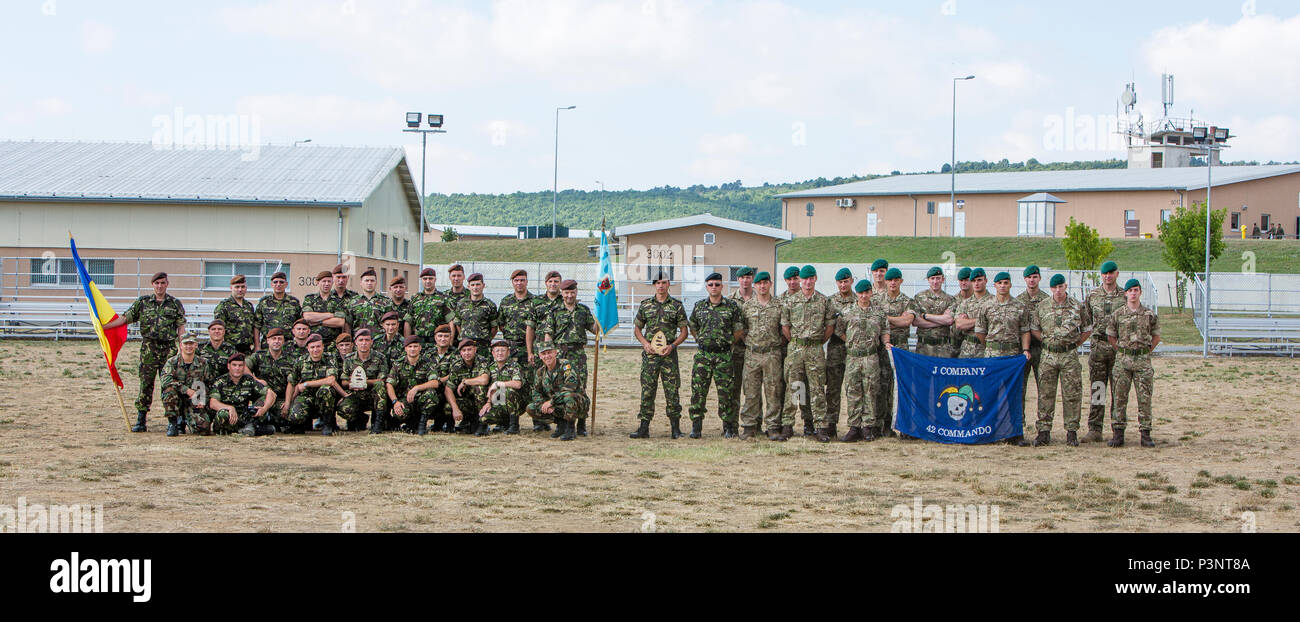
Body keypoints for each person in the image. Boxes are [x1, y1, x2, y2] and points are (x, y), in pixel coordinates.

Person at [104, 271, 186, 433]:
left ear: (167, 284)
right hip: (149, 348)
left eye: (163, 283)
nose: (160, 286)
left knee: (169, 385)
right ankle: (141, 420)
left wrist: (183, 347)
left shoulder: (175, 304)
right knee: (146, 385)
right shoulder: (143, 302)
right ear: (152, 285)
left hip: (169, 349)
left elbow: (181, 328)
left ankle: (173, 422)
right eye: (157, 283)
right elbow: (125, 318)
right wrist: (104, 327)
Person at [1029, 274, 1092, 447]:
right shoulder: (1042, 306)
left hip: (1069, 356)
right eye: (1055, 287)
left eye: (1061, 287)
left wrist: (1075, 343)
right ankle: (1043, 431)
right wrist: (1047, 341)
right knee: (1045, 394)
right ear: (1051, 288)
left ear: (1065, 286)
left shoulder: (1077, 306)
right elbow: (1034, 329)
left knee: (1072, 393)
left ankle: (1071, 432)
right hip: (1048, 355)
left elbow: (1087, 329)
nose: (1058, 290)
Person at [974, 271, 1033, 446]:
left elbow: (1025, 331)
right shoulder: (986, 306)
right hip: (992, 355)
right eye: (999, 283)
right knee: (990, 393)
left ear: (1010, 285)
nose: (1003, 286)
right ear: (994, 285)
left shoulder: (1020, 306)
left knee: (1014, 394)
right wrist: (992, 347)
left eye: (1006, 283)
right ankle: (990, 430)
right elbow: (980, 331)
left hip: (1012, 356)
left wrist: (1025, 350)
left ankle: (1015, 432)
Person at [628, 271, 689, 439]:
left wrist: (673, 346)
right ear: (654, 285)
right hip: (651, 356)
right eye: (658, 282)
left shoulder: (676, 306)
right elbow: (637, 328)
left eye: (664, 282)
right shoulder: (646, 305)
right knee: (647, 391)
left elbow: (684, 331)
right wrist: (645, 344)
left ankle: (675, 429)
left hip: (669, 356)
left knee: (672, 392)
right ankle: (643, 428)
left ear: (669, 284)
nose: (661, 285)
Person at [781, 265, 837, 442]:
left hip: (815, 349)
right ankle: (788, 425)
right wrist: (797, 342)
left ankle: (820, 426)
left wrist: (818, 342)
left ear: (815, 279)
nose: (807, 282)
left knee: (817, 388)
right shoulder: (791, 301)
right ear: (800, 280)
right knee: (795, 387)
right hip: (796, 347)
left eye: (810, 278)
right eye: (804, 279)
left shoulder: (824, 301)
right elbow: (785, 327)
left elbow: (829, 327)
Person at [687, 272, 745, 439]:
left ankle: (728, 427)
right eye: (711, 284)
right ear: (706, 287)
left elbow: (738, 330)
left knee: (726, 393)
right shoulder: (699, 306)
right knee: (698, 392)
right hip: (703, 356)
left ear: (722, 286)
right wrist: (701, 339)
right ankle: (696, 427)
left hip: (724, 357)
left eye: (717, 284)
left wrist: (726, 342)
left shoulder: (731, 306)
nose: (714, 287)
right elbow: (693, 326)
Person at [1106, 279, 1160, 448]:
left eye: (1136, 290)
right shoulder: (1118, 314)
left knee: (1144, 398)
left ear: (1140, 292)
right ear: (1126, 293)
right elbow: (1111, 335)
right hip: (1123, 361)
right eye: (1130, 290)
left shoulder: (1149, 314)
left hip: (1142, 361)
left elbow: (1156, 336)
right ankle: (1118, 433)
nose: (1133, 293)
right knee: (1119, 397)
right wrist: (1121, 350)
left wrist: (1146, 351)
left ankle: (1145, 433)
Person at [837, 280, 891, 442]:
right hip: (853, 356)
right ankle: (854, 426)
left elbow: (885, 330)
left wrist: (886, 342)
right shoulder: (847, 311)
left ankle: (867, 426)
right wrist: (850, 342)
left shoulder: (878, 312)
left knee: (870, 390)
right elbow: (839, 330)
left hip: (871, 356)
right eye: (861, 293)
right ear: (857, 293)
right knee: (853, 391)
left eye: (866, 292)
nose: (864, 296)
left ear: (871, 293)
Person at [546, 279, 598, 436]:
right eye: (566, 292)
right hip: (560, 355)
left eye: (572, 292)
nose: (569, 295)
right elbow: (548, 335)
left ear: (576, 292)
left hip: (578, 355)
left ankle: (581, 424)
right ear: (562, 293)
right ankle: (562, 424)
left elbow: (594, 329)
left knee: (580, 387)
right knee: (560, 388)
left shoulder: (583, 310)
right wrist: (548, 354)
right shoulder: (554, 311)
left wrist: (601, 319)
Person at [872, 267, 918, 437]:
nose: (892, 283)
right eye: (890, 280)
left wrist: (885, 319)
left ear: (900, 281)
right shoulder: (876, 299)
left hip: (901, 349)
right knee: (881, 387)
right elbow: (873, 321)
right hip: (883, 348)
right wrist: (894, 320)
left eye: (896, 280)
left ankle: (904, 425)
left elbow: (907, 321)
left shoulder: (907, 301)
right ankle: (882, 424)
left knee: (901, 387)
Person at [739, 272, 785, 440]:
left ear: (770, 284)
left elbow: (785, 330)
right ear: (755, 286)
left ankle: (773, 426)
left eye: (765, 283)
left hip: (772, 354)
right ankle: (749, 426)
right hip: (752, 355)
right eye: (759, 283)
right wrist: (751, 343)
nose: (762, 286)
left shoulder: (779, 305)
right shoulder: (747, 306)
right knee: (751, 392)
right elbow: (742, 330)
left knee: (773, 391)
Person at [1083, 261, 1125, 443]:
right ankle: (1095, 429)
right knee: (1098, 389)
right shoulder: (1092, 295)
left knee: (1118, 390)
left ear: (1117, 274)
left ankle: (1117, 428)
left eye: (1111, 273)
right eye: (1104, 273)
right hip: (1098, 348)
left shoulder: (1124, 296)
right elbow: (1085, 320)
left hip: (1118, 348)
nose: (1108, 276)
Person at [528, 342, 590, 441]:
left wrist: (551, 402)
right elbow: (536, 392)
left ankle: (571, 428)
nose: (547, 356)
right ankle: (561, 424)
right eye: (544, 354)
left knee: (568, 396)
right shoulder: (540, 372)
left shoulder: (566, 365)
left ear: (555, 353)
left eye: (549, 353)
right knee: (531, 407)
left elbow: (570, 387)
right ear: (540, 356)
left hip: (577, 402)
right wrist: (543, 404)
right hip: (558, 404)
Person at [336, 328, 391, 434]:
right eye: (361, 340)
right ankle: (360, 418)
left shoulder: (380, 358)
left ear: (371, 342)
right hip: (355, 394)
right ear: (356, 342)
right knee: (343, 408)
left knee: (380, 386)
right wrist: (352, 384)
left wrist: (365, 382)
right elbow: (344, 381)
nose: (364, 343)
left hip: (373, 395)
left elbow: (382, 380)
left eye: (367, 340)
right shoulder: (349, 359)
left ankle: (378, 423)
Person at [207, 353, 276, 436]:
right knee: (223, 414)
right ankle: (250, 430)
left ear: (244, 367)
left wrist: (264, 408)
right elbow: (213, 403)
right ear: (228, 366)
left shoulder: (249, 380)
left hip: (244, 416)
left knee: (264, 400)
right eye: (234, 365)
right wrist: (230, 408)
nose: (237, 368)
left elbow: (271, 393)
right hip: (228, 416)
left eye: (240, 365)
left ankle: (249, 428)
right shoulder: (220, 382)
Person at [385, 336, 443, 435]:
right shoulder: (398, 364)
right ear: (405, 348)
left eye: (415, 346)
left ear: (420, 348)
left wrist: (417, 388)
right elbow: (389, 384)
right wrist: (395, 401)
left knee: (431, 394)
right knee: (400, 414)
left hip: (421, 398)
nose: (412, 349)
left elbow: (435, 382)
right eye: (410, 346)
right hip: (405, 399)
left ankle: (422, 423)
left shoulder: (428, 362)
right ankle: (410, 422)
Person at [159, 332, 210, 437]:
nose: (188, 347)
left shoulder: (203, 363)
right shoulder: (172, 362)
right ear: (181, 345)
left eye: (191, 344)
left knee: (203, 430)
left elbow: (209, 382)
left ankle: (187, 419)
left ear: (196, 345)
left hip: (194, 400)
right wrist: (186, 390)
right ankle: (173, 423)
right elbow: (165, 381)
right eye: (186, 344)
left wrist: (203, 397)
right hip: (176, 398)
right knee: (169, 391)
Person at [285, 334, 339, 435]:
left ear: (323, 346)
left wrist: (306, 384)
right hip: (306, 396)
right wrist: (288, 403)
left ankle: (327, 423)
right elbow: (291, 382)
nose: (315, 350)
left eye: (318, 346)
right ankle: (303, 422)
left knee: (325, 390)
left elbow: (331, 380)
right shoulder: (301, 361)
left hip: (323, 397)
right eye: (312, 347)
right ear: (307, 348)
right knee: (295, 417)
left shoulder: (330, 358)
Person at [246, 327, 297, 432]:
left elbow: (291, 382)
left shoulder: (291, 359)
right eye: (274, 339)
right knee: (257, 412)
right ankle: (265, 425)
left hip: (281, 399)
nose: (277, 341)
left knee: (294, 416)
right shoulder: (258, 356)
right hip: (264, 396)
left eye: (279, 339)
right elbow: (243, 367)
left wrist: (287, 403)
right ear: (267, 341)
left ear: (283, 342)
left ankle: (275, 422)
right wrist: (256, 379)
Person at [824, 267, 855, 436]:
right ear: (836, 283)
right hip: (835, 349)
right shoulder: (830, 301)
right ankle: (830, 424)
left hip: (853, 352)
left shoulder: (859, 300)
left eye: (846, 281)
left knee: (853, 390)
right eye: (840, 282)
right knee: (833, 389)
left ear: (851, 281)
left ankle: (854, 424)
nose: (843, 285)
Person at [727, 266, 756, 429]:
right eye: (742, 277)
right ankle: (731, 424)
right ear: (737, 279)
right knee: (734, 388)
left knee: (753, 390)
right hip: (736, 350)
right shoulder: (730, 300)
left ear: (752, 279)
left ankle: (754, 423)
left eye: (748, 277)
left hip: (754, 351)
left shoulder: (760, 298)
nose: (745, 280)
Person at [478, 340, 525, 435]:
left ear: (508, 352)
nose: (500, 353)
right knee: (484, 418)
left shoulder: (514, 366)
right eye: (497, 351)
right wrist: (488, 402)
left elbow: (518, 384)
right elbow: (486, 386)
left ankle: (514, 425)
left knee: (510, 390)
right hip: (497, 403)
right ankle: (502, 423)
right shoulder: (490, 368)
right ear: (493, 353)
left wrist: (499, 383)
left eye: (503, 350)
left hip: (516, 404)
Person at [1017, 265, 1050, 399]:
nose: (1032, 280)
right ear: (1025, 279)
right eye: (1029, 277)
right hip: (1023, 350)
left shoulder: (1047, 300)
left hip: (1041, 348)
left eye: (1035, 277)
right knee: (1020, 388)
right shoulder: (1018, 301)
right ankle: (1021, 420)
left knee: (1044, 389)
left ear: (1039, 278)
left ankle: (1043, 420)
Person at [444, 339, 490, 434]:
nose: (467, 353)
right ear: (460, 352)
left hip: (484, 401)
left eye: (469, 350)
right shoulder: (457, 365)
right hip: (467, 401)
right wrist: (455, 408)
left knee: (479, 388)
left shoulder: (482, 361)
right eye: (464, 350)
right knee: (448, 407)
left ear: (475, 350)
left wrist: (466, 381)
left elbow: (484, 380)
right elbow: (448, 389)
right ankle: (468, 421)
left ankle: (483, 423)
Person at [912, 266, 957, 358]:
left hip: (943, 347)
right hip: (923, 347)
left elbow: (949, 320)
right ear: (928, 280)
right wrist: (941, 321)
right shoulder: (919, 298)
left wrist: (925, 316)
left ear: (943, 279)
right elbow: (916, 321)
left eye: (938, 278)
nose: (935, 281)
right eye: (932, 278)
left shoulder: (950, 299)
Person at [453, 272, 499, 357]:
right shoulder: (461, 304)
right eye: (473, 285)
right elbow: (458, 323)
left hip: (483, 346)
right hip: (466, 345)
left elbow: (494, 327)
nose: (475, 287)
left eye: (478, 284)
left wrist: (486, 339)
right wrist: (464, 337)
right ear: (468, 286)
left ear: (483, 285)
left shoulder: (490, 305)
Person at [406, 269, 454, 348]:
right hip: (418, 343)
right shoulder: (415, 298)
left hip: (437, 343)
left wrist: (449, 344)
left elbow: (450, 322)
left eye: (430, 278)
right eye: (425, 279)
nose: (428, 281)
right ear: (421, 280)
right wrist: (408, 343)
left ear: (435, 279)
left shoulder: (443, 298)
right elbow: (408, 321)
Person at [213, 274, 260, 355]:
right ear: (231, 288)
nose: (240, 290)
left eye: (243, 287)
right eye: (237, 287)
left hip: (247, 349)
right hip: (230, 349)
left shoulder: (248, 306)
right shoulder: (224, 306)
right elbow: (218, 329)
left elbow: (253, 327)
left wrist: (256, 346)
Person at [254, 271, 301, 348]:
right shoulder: (264, 302)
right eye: (275, 282)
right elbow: (256, 325)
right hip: (268, 345)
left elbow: (299, 324)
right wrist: (257, 345)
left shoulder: (294, 302)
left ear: (286, 284)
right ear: (271, 284)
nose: (278, 284)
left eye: (281, 282)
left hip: (289, 345)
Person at [302, 270, 348, 346]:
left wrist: (317, 322)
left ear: (332, 283)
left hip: (333, 344)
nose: (326, 284)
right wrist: (330, 315)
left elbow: (340, 322)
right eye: (324, 281)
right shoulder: (310, 299)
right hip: (314, 343)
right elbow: (307, 317)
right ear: (317, 282)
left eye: (329, 281)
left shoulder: (338, 300)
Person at [955, 268, 993, 358]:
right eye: (973, 281)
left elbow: (996, 323)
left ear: (986, 281)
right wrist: (984, 320)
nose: (976, 283)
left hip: (986, 348)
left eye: (979, 280)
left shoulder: (994, 302)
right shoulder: (965, 303)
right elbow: (959, 324)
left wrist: (968, 321)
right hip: (967, 349)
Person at [345, 268, 393, 333]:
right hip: (360, 341)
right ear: (361, 283)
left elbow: (391, 323)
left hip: (380, 341)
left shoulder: (386, 302)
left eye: (372, 281)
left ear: (376, 283)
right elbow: (348, 324)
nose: (369, 283)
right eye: (367, 281)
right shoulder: (353, 302)